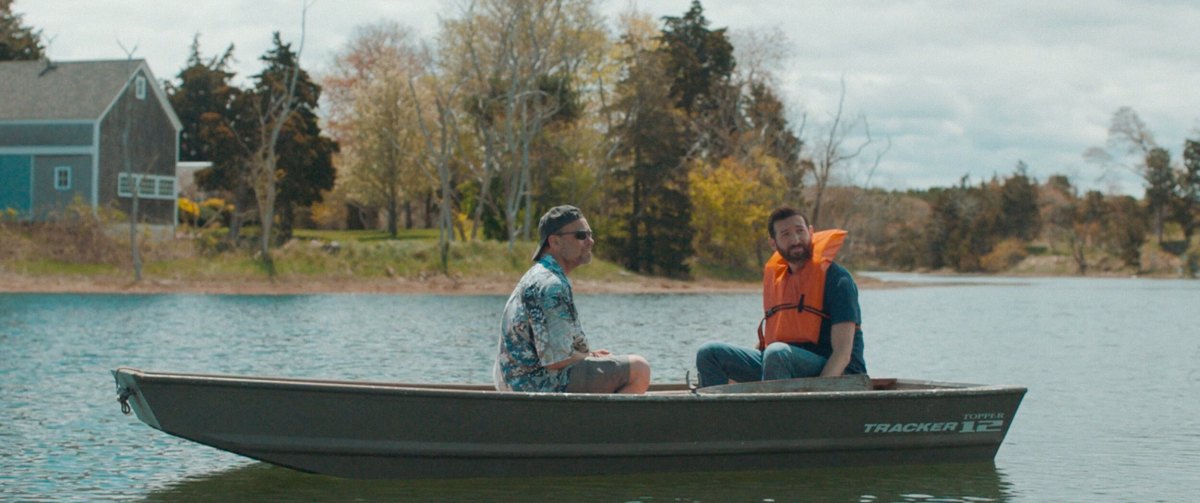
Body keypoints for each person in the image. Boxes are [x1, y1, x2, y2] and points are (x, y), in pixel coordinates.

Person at [695, 206, 866, 387]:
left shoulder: (838, 280)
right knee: (709, 353)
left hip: (838, 375)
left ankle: (773, 414)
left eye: (800, 231)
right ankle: (717, 413)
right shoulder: (778, 280)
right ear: (773, 243)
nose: (795, 240)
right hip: (780, 362)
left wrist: (819, 396)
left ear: (811, 232)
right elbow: (768, 342)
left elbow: (843, 353)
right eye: (785, 234)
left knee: (776, 353)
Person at [494, 205, 651, 394]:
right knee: (639, 370)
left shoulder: (542, 276)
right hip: (533, 386)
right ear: (555, 242)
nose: (590, 241)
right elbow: (556, 360)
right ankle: (608, 424)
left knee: (614, 363)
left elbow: (556, 351)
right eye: (581, 235)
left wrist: (589, 356)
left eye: (590, 234)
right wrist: (590, 359)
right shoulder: (551, 285)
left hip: (517, 383)